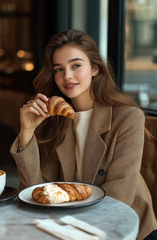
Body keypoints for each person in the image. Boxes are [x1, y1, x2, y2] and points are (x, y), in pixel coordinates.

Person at [10, 29, 157, 240]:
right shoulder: (57, 120)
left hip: (128, 229)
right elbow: (38, 192)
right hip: (73, 225)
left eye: (76, 65)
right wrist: (27, 131)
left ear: (95, 68)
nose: (66, 76)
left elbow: (119, 196)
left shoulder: (128, 117)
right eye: (58, 69)